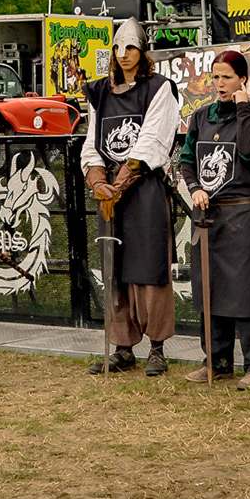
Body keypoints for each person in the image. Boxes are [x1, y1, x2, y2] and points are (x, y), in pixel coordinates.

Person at [82, 19, 182, 377]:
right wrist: (98, 183)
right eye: (119, 48)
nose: (124, 55)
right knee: (115, 268)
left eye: (131, 48)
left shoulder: (159, 89)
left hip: (143, 192)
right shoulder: (100, 92)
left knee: (149, 268)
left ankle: (157, 348)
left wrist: (118, 185)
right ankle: (122, 347)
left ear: (143, 52)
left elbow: (153, 141)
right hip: (109, 192)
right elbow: (93, 142)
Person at [179, 50, 250, 388]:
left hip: (245, 211)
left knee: (248, 289)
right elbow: (187, 159)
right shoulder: (200, 117)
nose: (219, 83)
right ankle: (217, 360)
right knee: (211, 287)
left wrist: (243, 109)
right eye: (216, 76)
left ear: (242, 79)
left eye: (227, 77)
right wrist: (193, 188)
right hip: (208, 215)